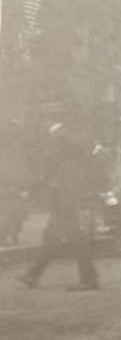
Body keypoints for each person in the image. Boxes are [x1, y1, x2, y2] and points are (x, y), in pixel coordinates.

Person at [17, 116, 103, 291]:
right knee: (53, 236)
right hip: (65, 193)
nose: (43, 123)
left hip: (65, 194)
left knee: (72, 236)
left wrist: (32, 187)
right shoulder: (68, 139)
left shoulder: (60, 138)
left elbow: (48, 166)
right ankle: (32, 275)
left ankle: (89, 278)